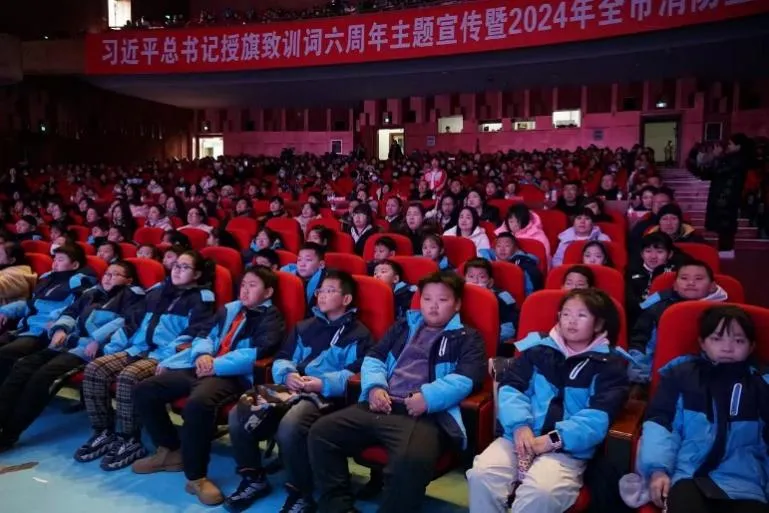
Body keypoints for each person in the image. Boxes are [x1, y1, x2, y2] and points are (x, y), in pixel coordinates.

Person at [309, 270, 486, 513]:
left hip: (423, 414)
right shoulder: (405, 325)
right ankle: (338, 507)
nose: (433, 306)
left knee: (410, 461)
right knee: (321, 433)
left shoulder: (468, 337)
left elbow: (467, 378)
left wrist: (427, 398)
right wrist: (374, 387)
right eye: (427, 299)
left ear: (456, 305)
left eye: (442, 300)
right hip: (381, 403)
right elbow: (374, 357)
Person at [132, 266, 286, 506]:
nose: (245, 290)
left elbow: (257, 352)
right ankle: (170, 449)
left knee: (197, 404)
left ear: (268, 292)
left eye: (252, 285)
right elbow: (205, 335)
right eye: (243, 284)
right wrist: (203, 354)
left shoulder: (271, 317)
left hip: (232, 375)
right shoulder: (229, 309)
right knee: (145, 389)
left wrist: (216, 365)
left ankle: (196, 477)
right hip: (203, 366)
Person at [224, 270, 373, 513]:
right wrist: (287, 374)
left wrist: (322, 384)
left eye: (330, 291)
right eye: (320, 290)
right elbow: (283, 357)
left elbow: (357, 372)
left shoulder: (359, 334)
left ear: (346, 299)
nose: (322, 295)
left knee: (291, 425)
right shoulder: (304, 326)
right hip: (290, 387)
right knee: (238, 414)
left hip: (325, 395)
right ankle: (253, 479)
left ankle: (300, 493)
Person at [467, 289, 629, 513]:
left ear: (599, 324)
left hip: (566, 449)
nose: (571, 321)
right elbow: (511, 389)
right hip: (520, 436)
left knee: (542, 491)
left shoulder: (610, 365)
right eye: (566, 314)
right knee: (482, 473)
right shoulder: (538, 350)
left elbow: (597, 418)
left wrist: (553, 439)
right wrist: (520, 425)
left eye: (581, 315)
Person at [73, 250, 217, 470]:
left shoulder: (201, 299)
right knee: (95, 368)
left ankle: (129, 439)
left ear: (197, 274)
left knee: (128, 376)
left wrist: (170, 361)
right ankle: (103, 431)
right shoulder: (156, 292)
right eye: (176, 265)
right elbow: (132, 323)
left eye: (185, 267)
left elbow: (195, 334)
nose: (177, 270)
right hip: (138, 348)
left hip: (164, 355)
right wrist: (111, 349)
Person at [629, 305, 769, 513]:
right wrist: (658, 470)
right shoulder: (681, 374)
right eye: (717, 339)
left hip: (746, 483)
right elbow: (662, 425)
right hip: (689, 476)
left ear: (751, 347)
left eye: (739, 341)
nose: (727, 348)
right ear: (702, 343)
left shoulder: (762, 384)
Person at [0, 261, 145, 451]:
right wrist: (60, 329)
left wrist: (97, 340)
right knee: (23, 367)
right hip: (68, 341)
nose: (109, 278)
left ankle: (9, 435)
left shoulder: (133, 297)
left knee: (42, 377)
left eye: (116, 274)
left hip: (89, 349)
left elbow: (124, 324)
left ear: (129, 280)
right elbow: (71, 311)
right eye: (107, 273)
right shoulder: (92, 292)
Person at [0, 244, 96, 385]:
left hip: (45, 331)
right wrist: (5, 311)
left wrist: (57, 325)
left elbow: (74, 310)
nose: (55, 263)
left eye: (61, 260)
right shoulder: (48, 278)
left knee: (5, 354)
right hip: (27, 327)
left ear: (75, 265)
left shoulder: (79, 283)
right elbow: (31, 303)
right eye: (54, 259)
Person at [628, 260, 728, 384]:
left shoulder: (726, 312)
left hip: (715, 376)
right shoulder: (658, 307)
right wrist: (639, 380)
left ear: (712, 286)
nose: (691, 283)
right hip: (664, 373)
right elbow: (641, 342)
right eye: (684, 278)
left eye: (698, 279)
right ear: (675, 285)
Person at [691, 133, 753, 259]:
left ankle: (726, 255)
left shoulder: (738, 160)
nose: (727, 146)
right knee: (724, 229)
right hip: (723, 198)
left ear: (739, 146)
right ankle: (724, 253)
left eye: (730, 144)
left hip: (726, 199)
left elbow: (716, 171)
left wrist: (716, 157)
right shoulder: (731, 159)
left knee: (726, 229)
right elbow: (706, 174)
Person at [464, 258, 519, 349]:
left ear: (490, 282)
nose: (475, 281)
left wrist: (490, 339)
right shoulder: (458, 296)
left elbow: (510, 326)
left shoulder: (503, 297)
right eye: (471, 276)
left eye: (481, 277)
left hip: (494, 341)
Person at [626, 232, 679, 321]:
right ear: (642, 254)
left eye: (659, 252)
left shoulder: (676, 273)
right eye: (648, 251)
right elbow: (630, 302)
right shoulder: (631, 272)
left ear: (670, 254)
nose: (653, 256)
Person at [280, 243, 327, 316]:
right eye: (299, 260)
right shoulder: (287, 276)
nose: (302, 264)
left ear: (321, 265)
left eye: (308, 260)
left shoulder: (327, 283)